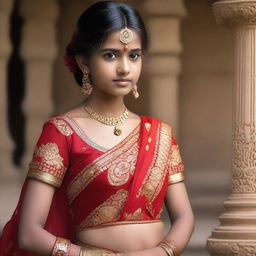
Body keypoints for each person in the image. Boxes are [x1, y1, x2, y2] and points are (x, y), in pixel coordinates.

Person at [0, 1, 194, 255]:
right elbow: (29, 233)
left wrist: (161, 252)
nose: (125, 68)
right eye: (110, 55)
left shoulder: (160, 134)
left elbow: (184, 218)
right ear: (84, 62)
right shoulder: (62, 132)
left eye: (133, 55)